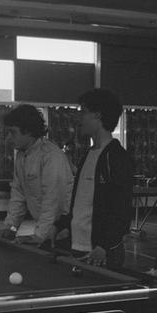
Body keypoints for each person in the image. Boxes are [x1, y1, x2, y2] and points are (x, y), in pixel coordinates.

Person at [53, 89, 133, 270]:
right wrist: (63, 226)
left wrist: (104, 245)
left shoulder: (117, 157)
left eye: (83, 111)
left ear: (97, 116)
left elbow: (122, 209)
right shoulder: (88, 154)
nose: (79, 118)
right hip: (78, 248)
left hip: (101, 253)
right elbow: (81, 202)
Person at [0, 104, 74, 245]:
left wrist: (39, 236)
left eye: (12, 132)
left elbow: (52, 201)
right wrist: (11, 228)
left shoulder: (51, 156)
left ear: (28, 132)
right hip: (46, 226)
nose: (8, 138)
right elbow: (18, 195)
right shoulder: (21, 156)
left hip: (64, 229)